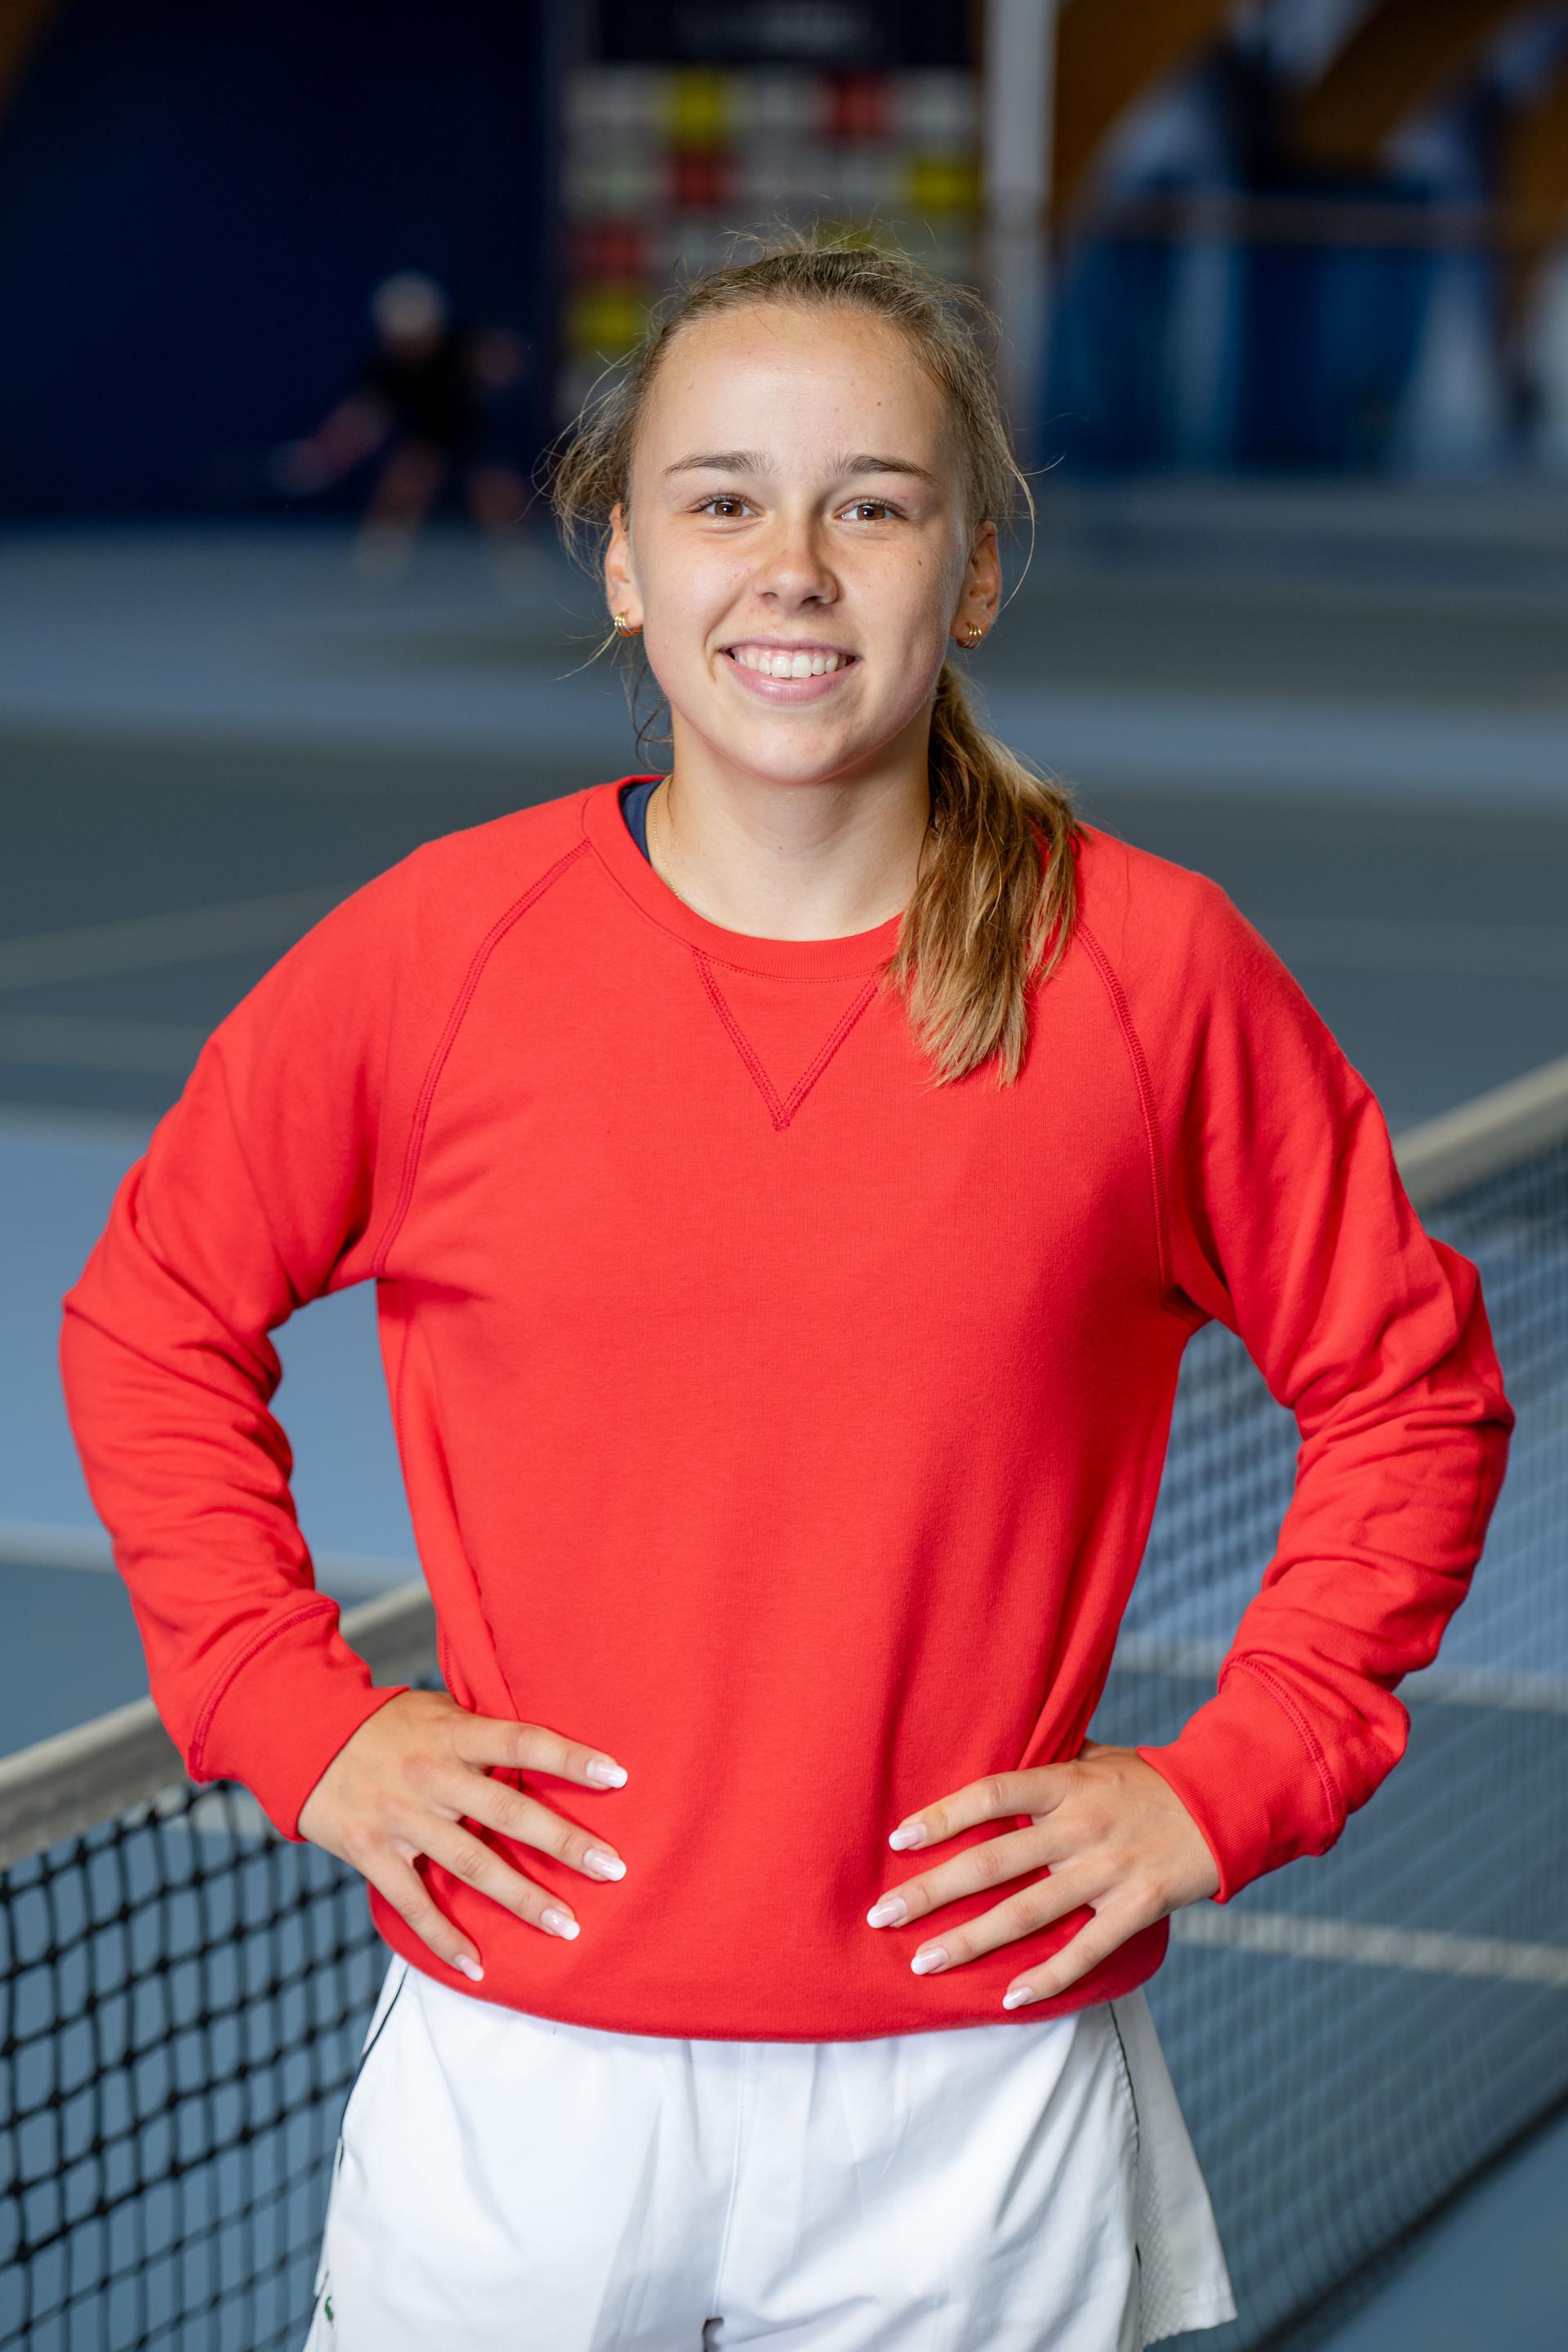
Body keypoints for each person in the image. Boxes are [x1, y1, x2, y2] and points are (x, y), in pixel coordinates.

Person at [58, 230, 1515, 2351]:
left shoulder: (1154, 972)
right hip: (519, 2077)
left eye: (876, 502)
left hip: (982, 2087)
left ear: (977, 568)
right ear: (627, 565)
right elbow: (152, 1312)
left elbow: (1414, 1390)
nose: (796, 565)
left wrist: (1244, 1766)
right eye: (723, 498)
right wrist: (295, 1716)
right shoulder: (433, 955)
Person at [270, 269, 537, 585]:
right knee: (407, 479)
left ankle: (515, 552)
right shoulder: (383, 365)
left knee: (495, 487)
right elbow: (360, 419)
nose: (406, 341)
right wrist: (322, 456)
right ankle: (381, 557)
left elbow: (508, 357)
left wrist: (499, 363)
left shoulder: (463, 345)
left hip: (469, 430)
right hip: (423, 435)